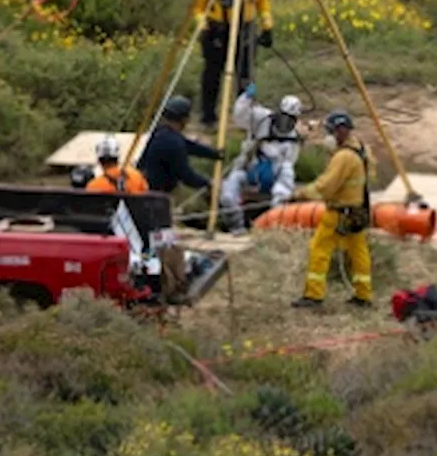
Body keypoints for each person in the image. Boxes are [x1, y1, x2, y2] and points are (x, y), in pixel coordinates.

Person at [291, 110, 373, 310]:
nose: (327, 137)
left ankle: (314, 295)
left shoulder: (343, 157)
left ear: (340, 131)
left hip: (339, 213)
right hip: (357, 211)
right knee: (358, 253)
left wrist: (300, 195)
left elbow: (326, 186)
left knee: (319, 249)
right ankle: (364, 295)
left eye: (329, 131)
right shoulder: (360, 149)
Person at [193, 0, 274, 128]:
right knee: (211, 76)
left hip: (244, 31)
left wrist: (267, 26)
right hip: (216, 33)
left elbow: (263, 4)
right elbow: (198, 8)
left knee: (245, 76)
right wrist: (204, 27)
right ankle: (208, 117)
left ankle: (244, 117)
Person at [220, 84, 302, 234]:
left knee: (285, 178)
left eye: (290, 120)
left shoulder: (293, 141)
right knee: (228, 193)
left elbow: (289, 164)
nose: (285, 124)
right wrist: (246, 98)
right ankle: (236, 225)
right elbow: (240, 117)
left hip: (273, 177)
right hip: (249, 169)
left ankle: (275, 223)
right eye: (283, 118)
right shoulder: (261, 118)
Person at [138, 95, 223, 194]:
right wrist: (207, 183)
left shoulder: (160, 133)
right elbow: (186, 176)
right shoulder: (173, 142)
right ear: (184, 119)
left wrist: (214, 154)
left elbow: (189, 146)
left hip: (144, 188)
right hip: (155, 195)